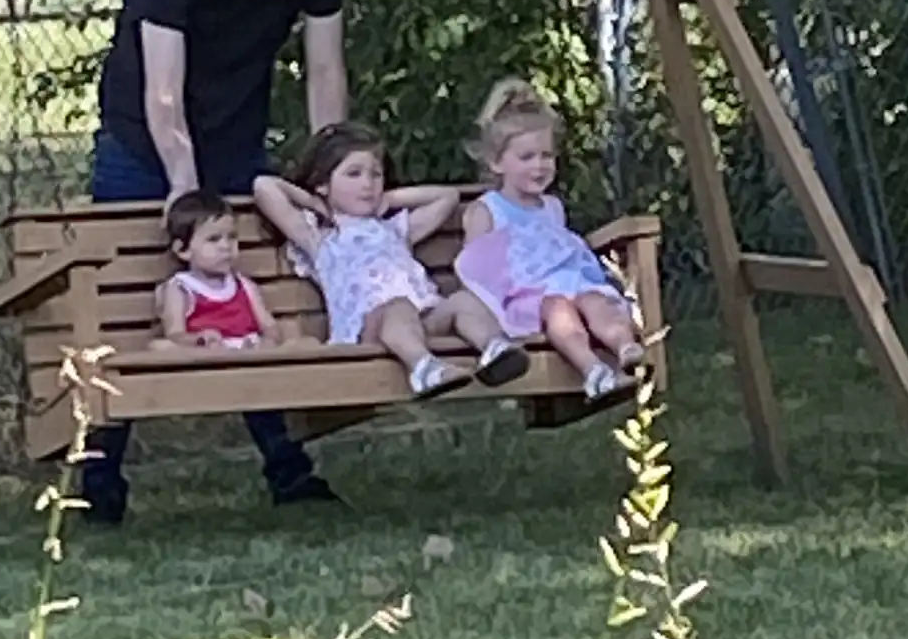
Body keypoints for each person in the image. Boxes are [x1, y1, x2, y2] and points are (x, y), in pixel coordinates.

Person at [83, 0, 348, 525]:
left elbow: (324, 70)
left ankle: (287, 467)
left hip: (235, 137)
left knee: (240, 289)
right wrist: (185, 194)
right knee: (127, 302)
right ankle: (99, 478)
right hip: (141, 142)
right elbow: (162, 95)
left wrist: (332, 168)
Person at [253, 122, 532, 396]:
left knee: (463, 301)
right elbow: (264, 187)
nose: (368, 184)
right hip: (367, 332)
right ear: (323, 183)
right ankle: (423, 368)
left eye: (376, 175)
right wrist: (315, 202)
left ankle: (495, 350)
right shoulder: (321, 239)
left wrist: (391, 198)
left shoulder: (394, 229)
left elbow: (446, 197)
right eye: (354, 174)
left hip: (423, 320)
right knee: (398, 308)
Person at [454, 78, 648, 402]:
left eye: (547, 156)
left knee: (596, 301)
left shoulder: (553, 207)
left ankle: (625, 347)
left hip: (572, 283)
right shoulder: (487, 210)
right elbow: (476, 269)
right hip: (532, 298)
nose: (540, 165)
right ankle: (594, 371)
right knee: (560, 311)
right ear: (496, 162)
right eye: (527, 157)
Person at [153, 190, 282, 351]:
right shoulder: (181, 288)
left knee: (306, 343)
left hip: (247, 351)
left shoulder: (244, 285)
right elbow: (175, 334)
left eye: (232, 237)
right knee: (161, 347)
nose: (226, 246)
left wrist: (268, 341)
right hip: (206, 357)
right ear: (183, 250)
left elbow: (269, 326)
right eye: (213, 239)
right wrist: (199, 339)